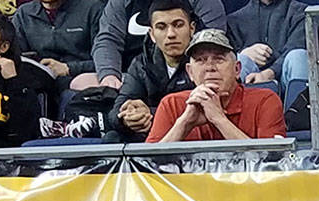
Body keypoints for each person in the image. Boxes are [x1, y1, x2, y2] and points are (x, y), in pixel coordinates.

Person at [146, 27, 284, 141]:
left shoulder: (265, 101)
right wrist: (185, 123)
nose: (210, 67)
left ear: (237, 69)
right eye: (201, 60)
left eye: (219, 59)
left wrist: (218, 119)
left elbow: (273, 163)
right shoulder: (171, 104)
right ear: (190, 72)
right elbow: (146, 167)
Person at [109, 0, 195, 140]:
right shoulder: (141, 64)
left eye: (178, 25)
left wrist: (150, 113)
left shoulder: (205, 60)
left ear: (192, 29)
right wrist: (127, 117)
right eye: (161, 27)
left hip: (194, 134)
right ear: (152, 34)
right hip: (151, 133)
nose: (171, 34)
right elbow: (116, 110)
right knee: (112, 137)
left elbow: (209, 108)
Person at [92, 0, 224, 89]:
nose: (171, 33)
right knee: (84, 83)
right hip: (131, 76)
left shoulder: (204, 2)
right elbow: (108, 40)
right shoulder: (121, 3)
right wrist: (109, 75)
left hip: (189, 77)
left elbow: (212, 41)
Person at [11, 0, 102, 93]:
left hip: (81, 83)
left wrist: (69, 68)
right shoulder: (23, 13)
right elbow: (16, 57)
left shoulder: (93, 9)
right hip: (39, 85)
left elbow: (108, 60)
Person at [226, 0, 307, 98]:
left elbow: (297, 45)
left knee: (298, 57)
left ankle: (299, 112)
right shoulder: (234, 20)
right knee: (240, 60)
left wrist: (270, 72)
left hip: (285, 76)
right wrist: (244, 53)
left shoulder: (302, 12)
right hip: (251, 81)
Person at [0, 11, 42, 147]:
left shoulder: (24, 76)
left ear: (4, 46)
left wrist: (13, 81)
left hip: (7, 158)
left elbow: (27, 132)